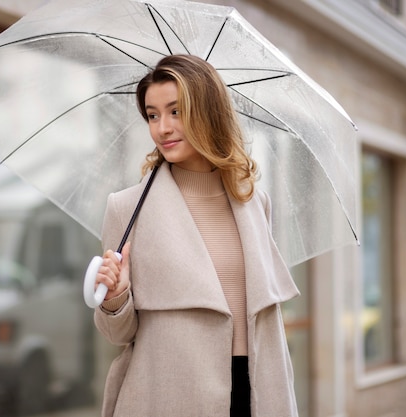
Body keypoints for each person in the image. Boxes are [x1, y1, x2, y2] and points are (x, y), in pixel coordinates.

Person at [93, 54, 300, 417]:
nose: (162, 128)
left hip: (258, 391)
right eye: (152, 115)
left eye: (176, 111)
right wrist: (116, 296)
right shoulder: (127, 208)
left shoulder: (255, 202)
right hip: (170, 392)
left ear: (208, 111)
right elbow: (117, 334)